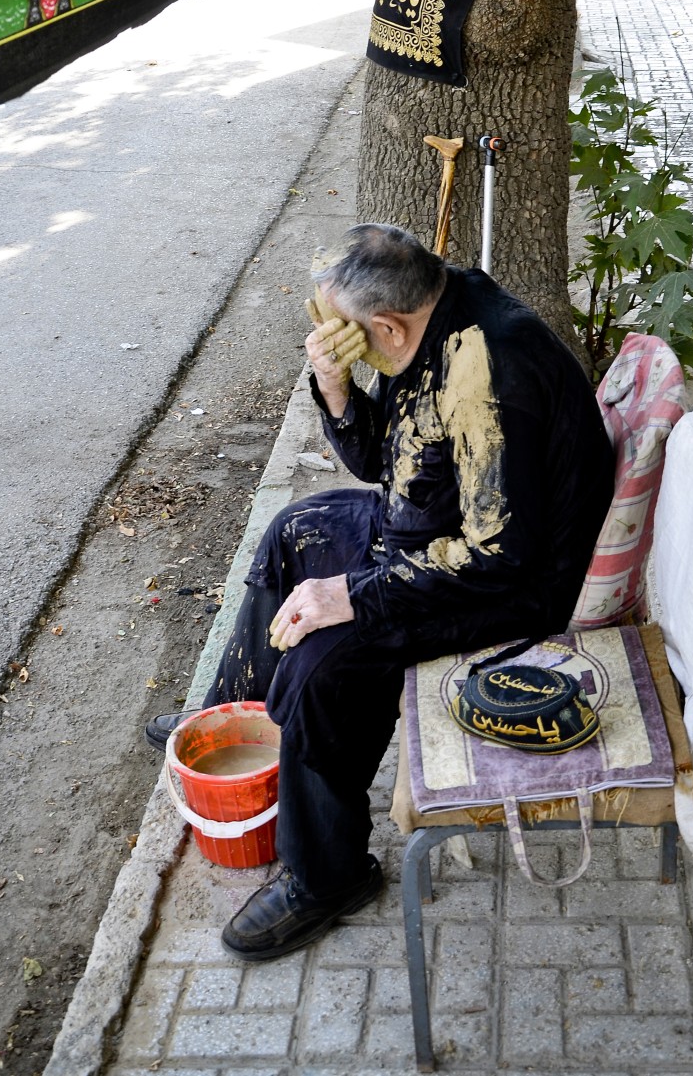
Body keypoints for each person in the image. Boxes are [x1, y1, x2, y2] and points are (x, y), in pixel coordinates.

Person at [146, 223, 614, 961]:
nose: (329, 336)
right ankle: (240, 718)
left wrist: (356, 596)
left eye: (341, 332)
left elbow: (501, 555)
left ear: (387, 325)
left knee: (326, 661)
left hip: (513, 581)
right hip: (441, 527)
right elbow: (382, 462)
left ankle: (327, 874)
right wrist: (336, 387)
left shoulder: (487, 370)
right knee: (296, 530)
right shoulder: (428, 312)